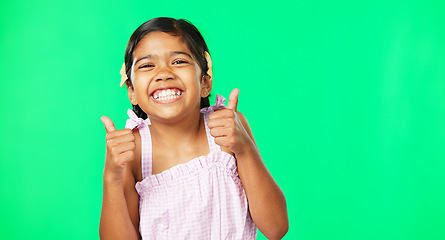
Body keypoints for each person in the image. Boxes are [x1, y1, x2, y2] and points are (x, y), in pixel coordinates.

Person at [99, 17, 288, 239]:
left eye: (179, 61)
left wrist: (245, 149)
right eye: (147, 65)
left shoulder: (228, 129)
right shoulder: (133, 151)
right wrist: (111, 177)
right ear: (131, 91)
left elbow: (276, 228)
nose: (164, 73)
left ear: (205, 82)